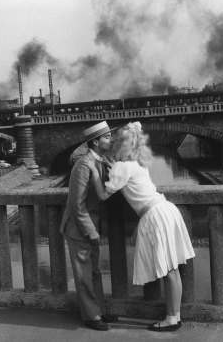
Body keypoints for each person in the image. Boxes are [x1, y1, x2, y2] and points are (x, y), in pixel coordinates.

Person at [89, 121, 195, 332]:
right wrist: (114, 169)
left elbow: (102, 195)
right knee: (173, 270)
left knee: (168, 270)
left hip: (154, 216)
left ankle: (171, 320)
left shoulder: (121, 167)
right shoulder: (137, 163)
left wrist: (94, 172)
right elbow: (127, 179)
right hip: (165, 209)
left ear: (121, 145)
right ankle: (175, 317)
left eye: (115, 140)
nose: (111, 143)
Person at [60, 121, 118, 331]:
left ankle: (99, 310)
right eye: (107, 137)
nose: (110, 140)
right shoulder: (84, 166)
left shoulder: (100, 161)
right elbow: (77, 204)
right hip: (79, 229)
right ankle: (91, 316)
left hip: (89, 226)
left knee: (94, 272)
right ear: (95, 141)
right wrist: (90, 230)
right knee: (84, 274)